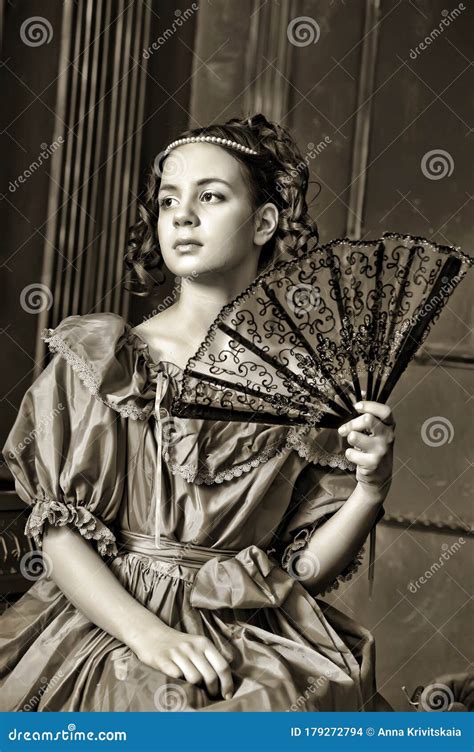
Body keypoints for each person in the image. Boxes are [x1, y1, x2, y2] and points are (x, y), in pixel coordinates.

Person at [0, 114, 395, 712]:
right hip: (113, 626)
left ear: (264, 222)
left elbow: (300, 571)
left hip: (249, 633)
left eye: (210, 196)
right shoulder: (103, 362)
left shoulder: (306, 388)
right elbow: (57, 532)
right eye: (167, 201)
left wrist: (369, 490)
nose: (182, 215)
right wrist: (150, 636)